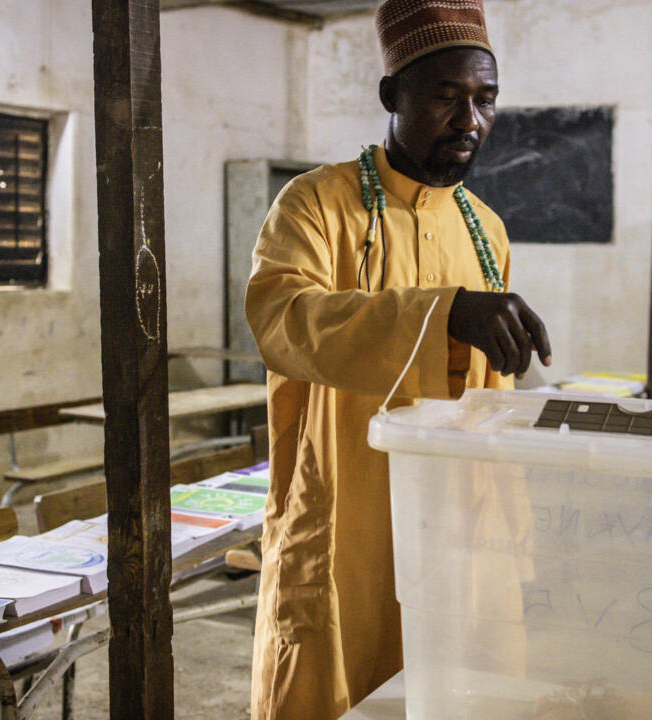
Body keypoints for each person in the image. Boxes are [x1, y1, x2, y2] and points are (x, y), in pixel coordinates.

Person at [244, 1, 551, 717]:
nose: (468, 120)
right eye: (446, 96)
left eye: (485, 99)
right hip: (350, 504)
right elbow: (279, 319)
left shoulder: (486, 229)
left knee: (455, 679)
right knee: (337, 676)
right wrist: (441, 310)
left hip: (459, 514)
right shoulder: (316, 205)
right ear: (392, 97)